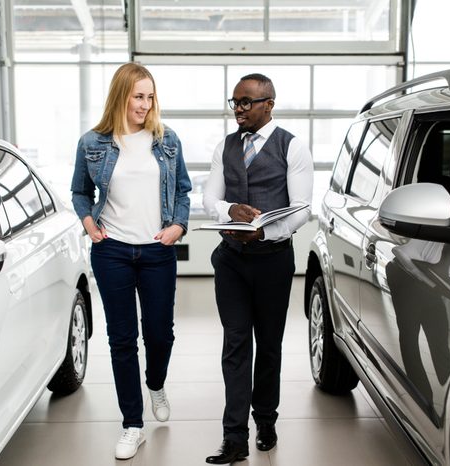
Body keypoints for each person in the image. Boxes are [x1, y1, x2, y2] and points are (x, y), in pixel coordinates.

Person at [70, 62, 191, 460]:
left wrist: (178, 225)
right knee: (122, 340)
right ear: (121, 96)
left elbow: (184, 192)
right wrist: (88, 222)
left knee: (160, 334)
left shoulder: (167, 140)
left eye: (150, 96)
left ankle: (155, 382)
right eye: (138, 96)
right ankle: (132, 425)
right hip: (112, 251)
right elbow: (80, 192)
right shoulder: (92, 143)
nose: (145, 104)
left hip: (158, 251)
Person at [202, 73, 313, 464]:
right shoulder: (225, 146)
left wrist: (263, 234)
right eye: (235, 102)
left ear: (269, 103)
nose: (239, 109)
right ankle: (234, 437)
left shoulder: (293, 147)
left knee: (268, 345)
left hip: (273, 262)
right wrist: (229, 210)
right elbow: (208, 198)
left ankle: (266, 419)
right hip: (230, 260)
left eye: (247, 102)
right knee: (235, 344)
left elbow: (301, 209)